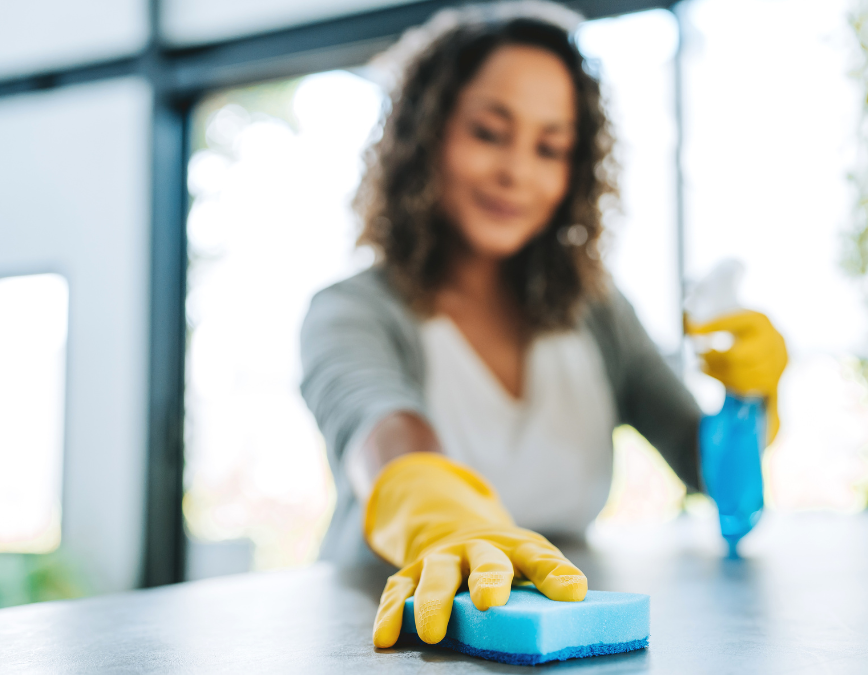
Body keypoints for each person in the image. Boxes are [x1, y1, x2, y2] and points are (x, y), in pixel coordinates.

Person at [299, 2, 787, 649]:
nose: (517, 171)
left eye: (550, 146)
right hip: (395, 632)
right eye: (488, 132)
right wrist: (441, 517)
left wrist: (748, 402)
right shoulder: (353, 311)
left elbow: (704, 467)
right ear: (427, 135)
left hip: (558, 632)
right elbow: (382, 429)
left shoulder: (596, 312)